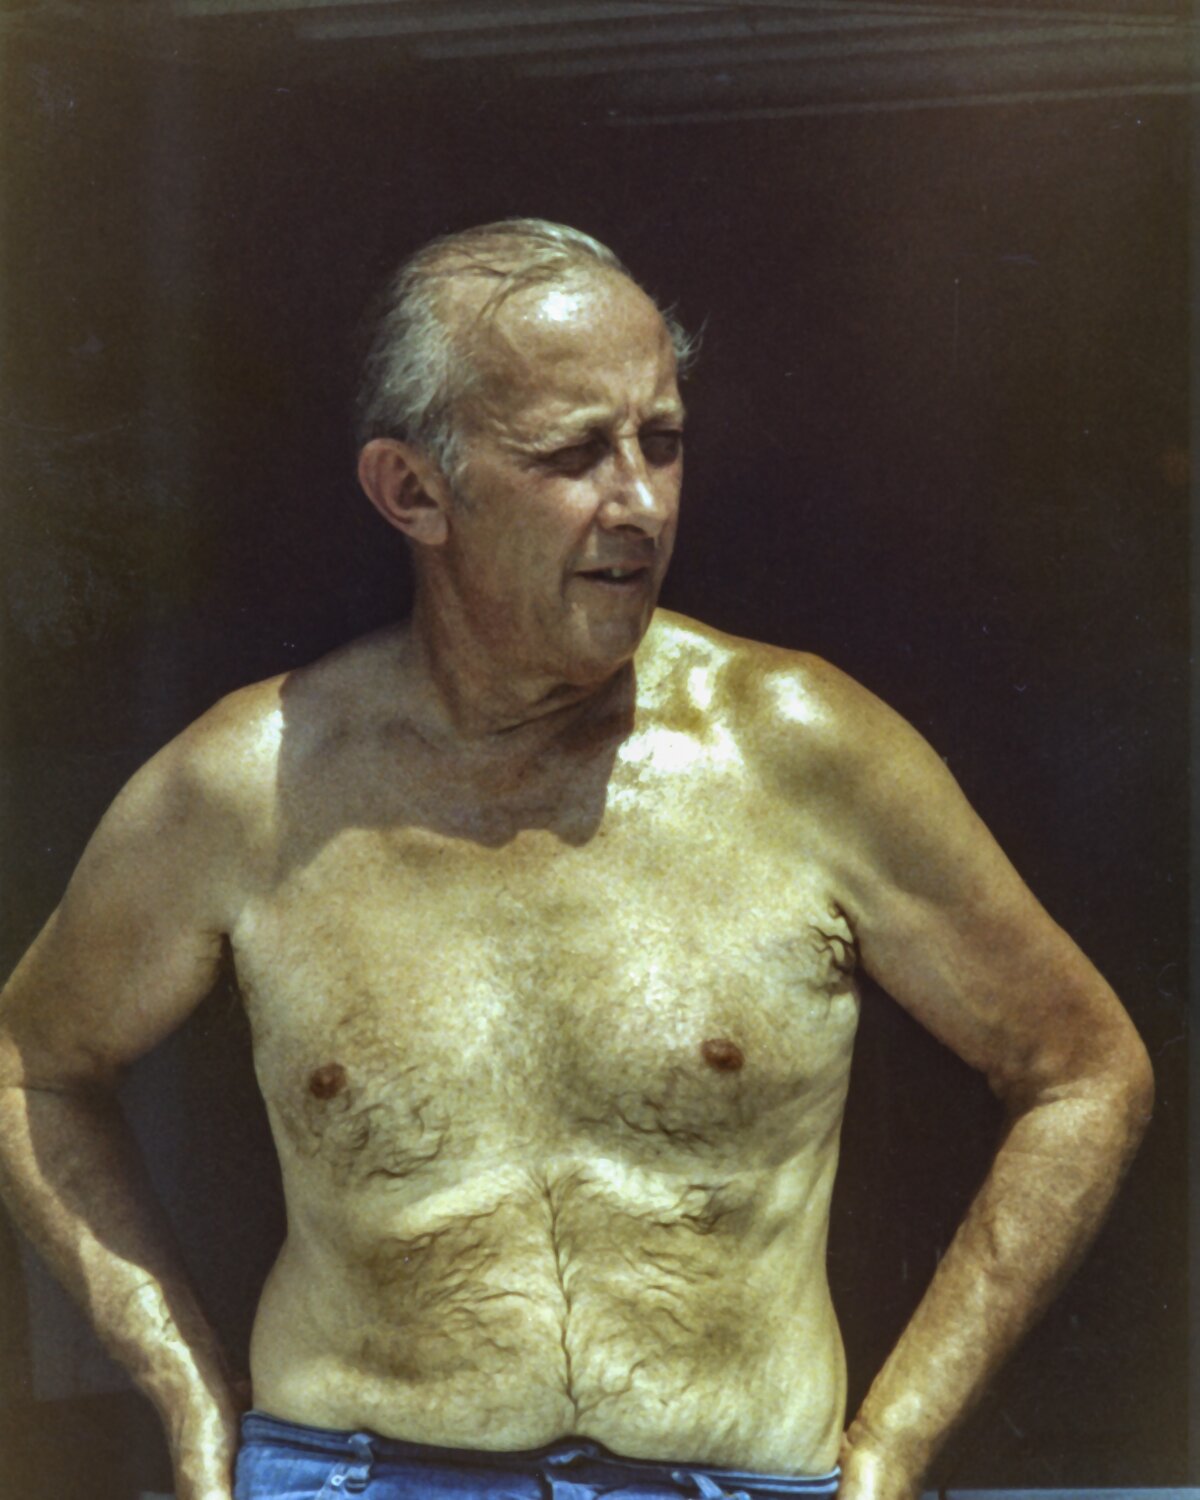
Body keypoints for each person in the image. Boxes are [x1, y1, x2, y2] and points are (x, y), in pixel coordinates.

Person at [0, 219, 1153, 1500]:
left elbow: (1081, 1069)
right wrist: (184, 1393)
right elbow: (30, 1067)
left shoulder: (802, 753)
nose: (642, 503)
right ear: (412, 493)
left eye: (661, 441)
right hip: (353, 1474)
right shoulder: (252, 787)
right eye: (573, 455)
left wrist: (893, 1446)